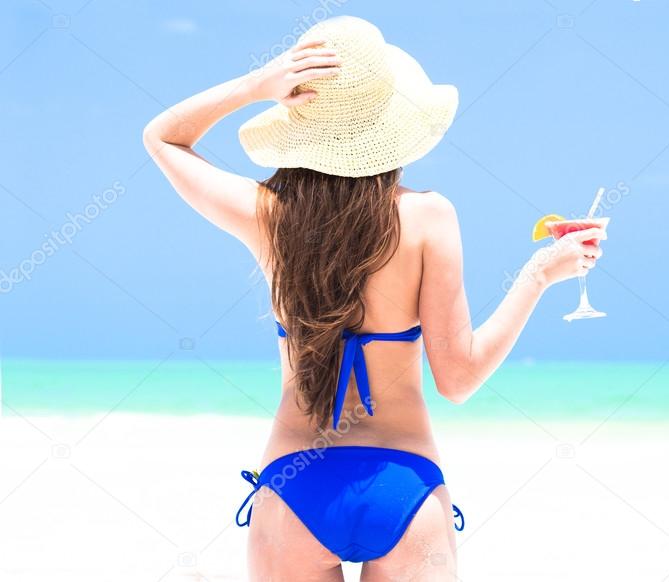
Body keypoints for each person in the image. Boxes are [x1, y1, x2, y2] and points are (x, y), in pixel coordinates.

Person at [142, 16, 606, 582]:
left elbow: (162, 137)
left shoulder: (267, 216)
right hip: (404, 486)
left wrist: (257, 85)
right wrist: (538, 276)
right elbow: (458, 379)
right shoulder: (428, 216)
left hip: (294, 487)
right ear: (393, 127)